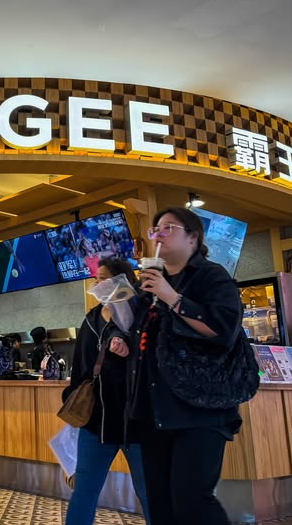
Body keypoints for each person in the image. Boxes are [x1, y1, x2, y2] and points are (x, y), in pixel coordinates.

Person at [128, 207, 243, 525]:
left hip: (201, 408)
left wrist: (172, 297)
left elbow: (223, 330)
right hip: (155, 409)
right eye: (155, 229)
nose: (158, 234)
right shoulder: (152, 283)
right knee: (160, 504)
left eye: (168, 227)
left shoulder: (211, 276)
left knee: (192, 501)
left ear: (193, 237)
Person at [64, 257, 149, 524]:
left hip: (137, 422)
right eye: (96, 279)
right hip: (96, 423)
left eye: (103, 279)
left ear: (122, 281)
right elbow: (80, 366)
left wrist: (125, 344)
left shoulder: (142, 314)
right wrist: (72, 396)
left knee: (149, 493)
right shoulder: (91, 318)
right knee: (84, 491)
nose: (97, 284)